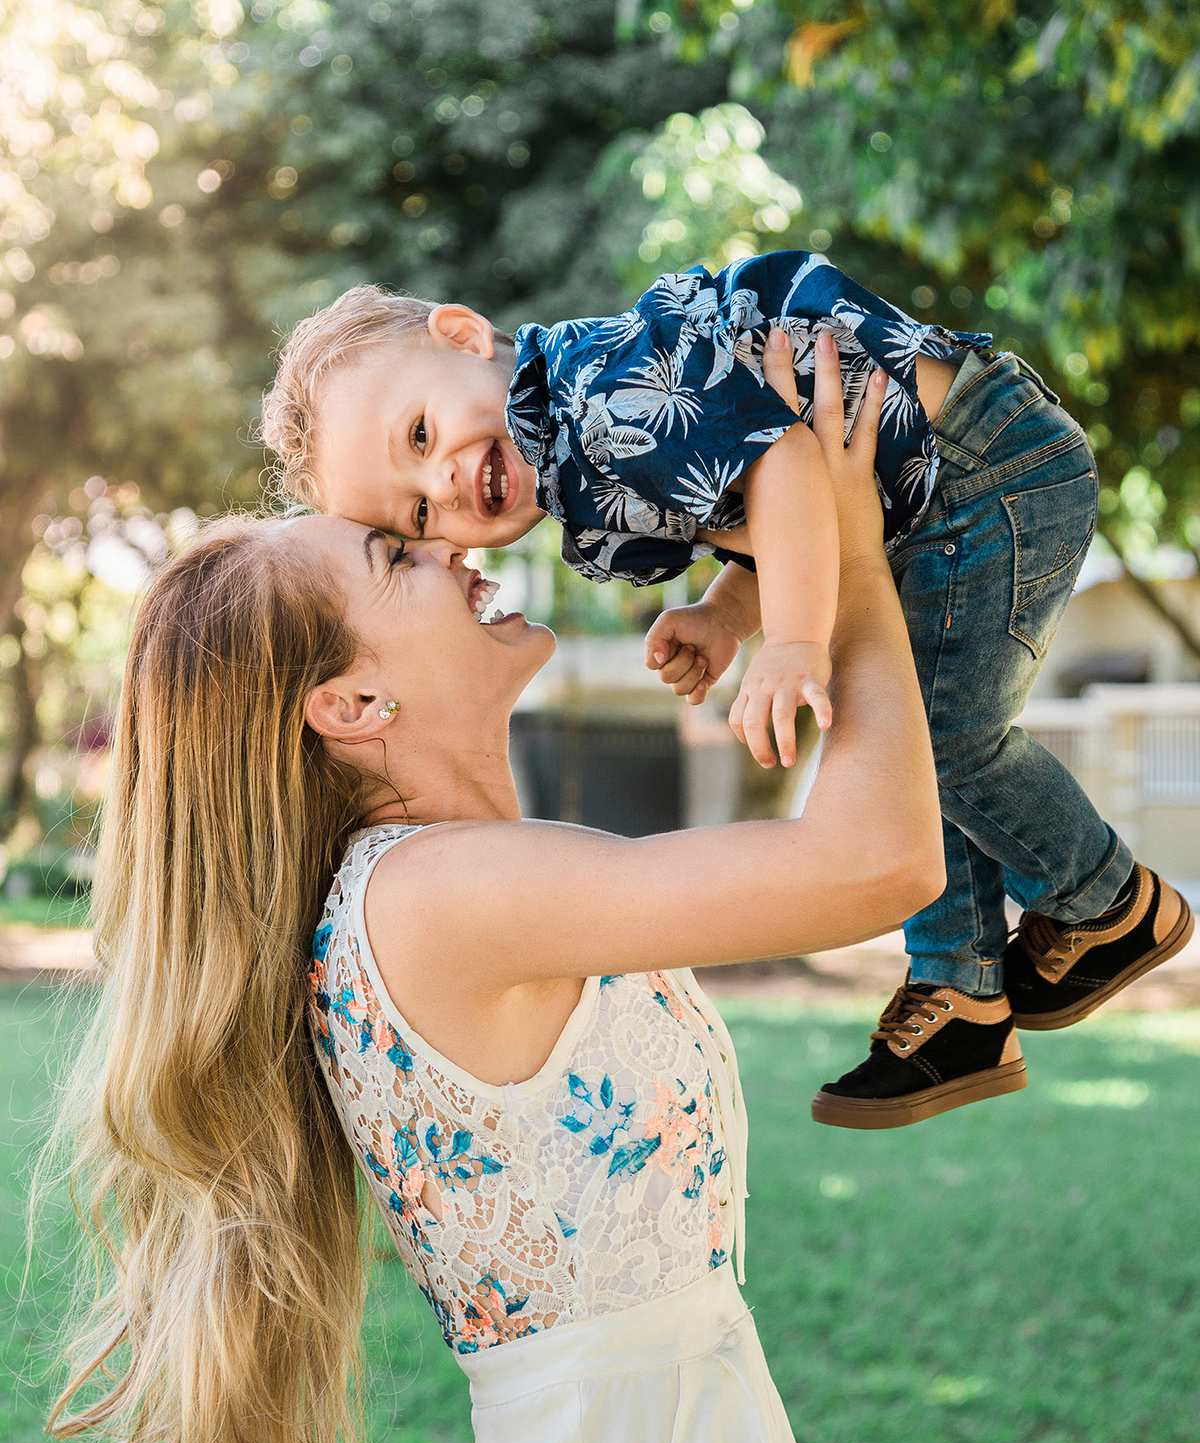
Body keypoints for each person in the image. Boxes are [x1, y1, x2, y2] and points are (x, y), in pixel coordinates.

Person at [45, 343, 942, 1443]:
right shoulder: (434, 897)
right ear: (353, 705)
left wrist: (767, 570)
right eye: (396, 555)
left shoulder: (461, 878)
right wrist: (841, 541)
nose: (453, 542)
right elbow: (877, 863)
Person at [259, 249, 1193, 1130]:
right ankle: (962, 994)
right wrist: (723, 615)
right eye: (420, 513)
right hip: (924, 500)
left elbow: (787, 464)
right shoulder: (581, 464)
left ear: (465, 336)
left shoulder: (597, 394)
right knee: (902, 739)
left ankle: (1109, 904)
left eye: (421, 434)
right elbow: (765, 510)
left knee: (943, 738)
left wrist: (792, 640)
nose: (445, 481)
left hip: (980, 468)